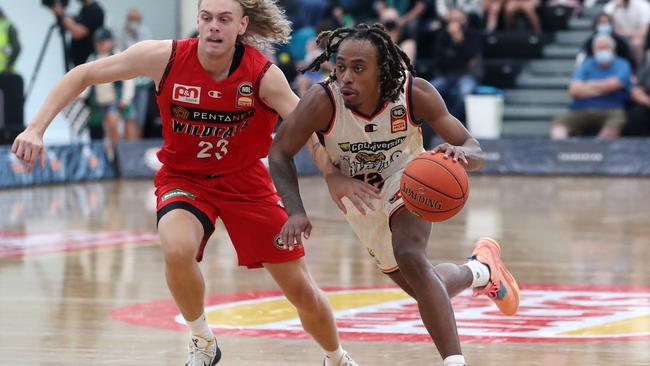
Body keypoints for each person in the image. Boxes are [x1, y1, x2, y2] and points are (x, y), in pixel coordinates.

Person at [11, 1, 358, 365]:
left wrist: (331, 173)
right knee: (176, 249)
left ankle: (336, 357)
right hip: (185, 178)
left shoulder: (263, 75)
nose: (213, 27)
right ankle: (202, 340)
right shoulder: (165, 57)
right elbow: (83, 74)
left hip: (246, 183)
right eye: (206, 18)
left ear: (242, 26)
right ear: (197, 21)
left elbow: (305, 131)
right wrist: (35, 128)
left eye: (224, 20)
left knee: (300, 289)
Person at [268, 23, 520, 366]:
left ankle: (454, 361)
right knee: (423, 289)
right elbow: (280, 152)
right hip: (360, 196)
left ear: (382, 69)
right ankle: (480, 271)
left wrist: (462, 156)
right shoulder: (322, 101)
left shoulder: (415, 93)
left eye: (358, 68)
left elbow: (473, 148)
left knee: (410, 256)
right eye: (341, 67)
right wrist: (295, 210)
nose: (346, 77)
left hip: (411, 181)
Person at [551, 34, 632, 139]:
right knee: (559, 124)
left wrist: (586, 86)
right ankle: (562, 151)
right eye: (599, 48)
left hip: (612, 109)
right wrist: (605, 87)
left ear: (613, 49)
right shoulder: (587, 64)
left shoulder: (622, 64)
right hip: (581, 109)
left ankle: (601, 151)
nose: (602, 51)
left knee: (613, 126)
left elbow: (616, 84)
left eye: (605, 48)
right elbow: (574, 90)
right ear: (593, 51)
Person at [83, 28, 136, 159]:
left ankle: (119, 154)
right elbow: (85, 79)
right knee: (105, 130)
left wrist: (126, 97)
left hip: (115, 100)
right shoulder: (92, 58)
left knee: (113, 125)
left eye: (103, 41)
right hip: (99, 101)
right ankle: (111, 156)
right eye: (97, 42)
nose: (100, 45)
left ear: (110, 42)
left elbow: (128, 79)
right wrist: (80, 95)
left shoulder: (117, 55)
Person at [116, 8, 153, 140]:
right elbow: (119, 53)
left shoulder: (145, 32)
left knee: (140, 116)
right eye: (131, 20)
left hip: (142, 81)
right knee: (128, 115)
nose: (134, 22)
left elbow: (149, 53)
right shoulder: (121, 33)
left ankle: (138, 143)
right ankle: (127, 145)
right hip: (126, 81)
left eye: (136, 20)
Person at [49, 0, 105, 68]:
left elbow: (79, 32)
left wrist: (61, 15)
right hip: (79, 62)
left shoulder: (95, 10)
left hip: (88, 61)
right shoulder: (84, 10)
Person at [0, 6, 21, 73]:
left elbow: (16, 48)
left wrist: (9, 65)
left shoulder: (7, 27)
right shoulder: (8, 26)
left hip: (4, 73)